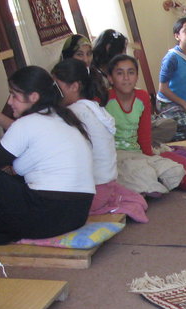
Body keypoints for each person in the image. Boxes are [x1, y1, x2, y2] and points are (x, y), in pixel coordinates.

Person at [0, 66, 94, 244]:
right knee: (12, 179)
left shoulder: (27, 123)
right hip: (76, 215)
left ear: (33, 97)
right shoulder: (62, 118)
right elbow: (13, 152)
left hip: (48, 216)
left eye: (14, 95)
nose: (9, 101)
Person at [108, 54, 186, 194]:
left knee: (175, 170)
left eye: (131, 72)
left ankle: (148, 183)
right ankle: (147, 183)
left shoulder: (142, 96)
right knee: (141, 172)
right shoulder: (104, 99)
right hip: (115, 154)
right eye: (120, 73)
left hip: (137, 152)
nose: (126, 78)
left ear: (137, 76)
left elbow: (144, 133)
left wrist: (149, 155)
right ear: (110, 78)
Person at [51, 58, 148, 222]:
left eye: (57, 87)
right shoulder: (92, 107)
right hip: (107, 185)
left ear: (74, 86)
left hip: (94, 192)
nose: (53, 93)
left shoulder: (73, 113)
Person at [89, 29, 129, 102]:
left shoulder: (113, 71)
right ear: (108, 48)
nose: (125, 54)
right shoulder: (94, 74)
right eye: (122, 50)